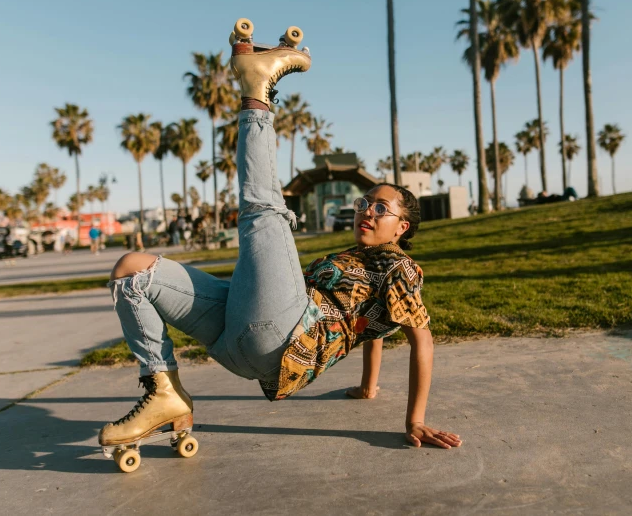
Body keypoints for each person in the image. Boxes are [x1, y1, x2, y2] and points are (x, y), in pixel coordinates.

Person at [99, 29, 461, 452]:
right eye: (366, 202)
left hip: (284, 338)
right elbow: (373, 326)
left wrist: (415, 420)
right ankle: (164, 392)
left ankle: (256, 90)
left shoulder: (401, 268)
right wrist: (367, 388)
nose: (367, 210)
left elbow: (422, 338)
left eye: (382, 208)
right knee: (132, 271)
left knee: (264, 211)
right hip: (238, 346)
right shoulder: (365, 265)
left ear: (403, 228)